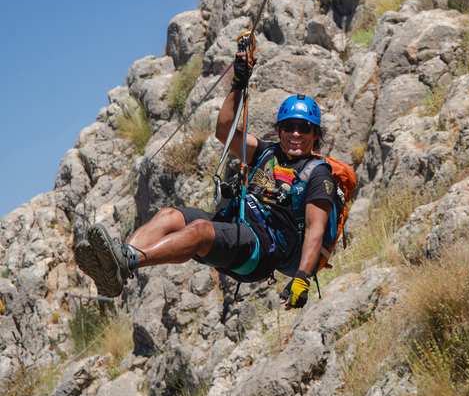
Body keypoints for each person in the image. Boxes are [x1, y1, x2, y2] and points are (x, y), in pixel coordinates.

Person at [74, 52, 335, 309]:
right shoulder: (266, 152)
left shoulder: (317, 173)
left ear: (315, 134)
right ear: (280, 130)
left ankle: (127, 260)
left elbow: (315, 229)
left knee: (199, 231)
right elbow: (224, 130)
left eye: (304, 128)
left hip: (262, 249)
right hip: (236, 223)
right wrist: (238, 82)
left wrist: (301, 278)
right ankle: (116, 265)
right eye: (289, 126)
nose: (295, 133)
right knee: (169, 215)